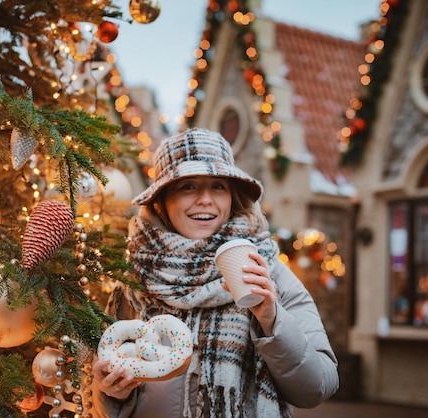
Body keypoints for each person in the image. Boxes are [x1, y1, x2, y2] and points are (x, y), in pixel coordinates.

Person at [90, 127, 339, 417]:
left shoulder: (266, 272)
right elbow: (104, 398)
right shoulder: (133, 279)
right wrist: (111, 395)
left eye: (218, 186)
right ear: (163, 199)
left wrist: (272, 322)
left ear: (232, 195)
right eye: (188, 186)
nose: (206, 199)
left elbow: (318, 387)